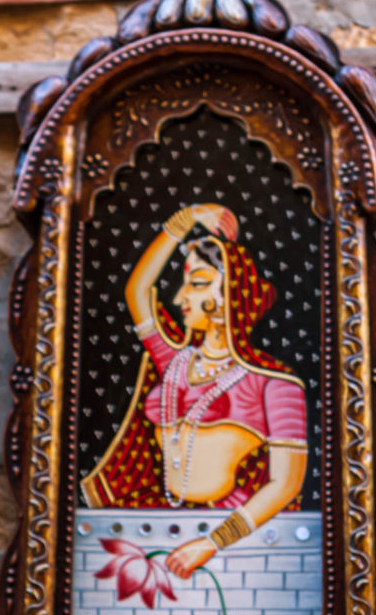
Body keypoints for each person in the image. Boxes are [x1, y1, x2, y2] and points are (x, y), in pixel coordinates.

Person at [81, 202, 308, 579]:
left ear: (229, 297)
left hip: (232, 537)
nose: (179, 297)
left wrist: (212, 542)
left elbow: (285, 483)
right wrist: (184, 222)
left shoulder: (274, 383)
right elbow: (139, 290)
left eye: (197, 282)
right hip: (156, 519)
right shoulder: (174, 362)